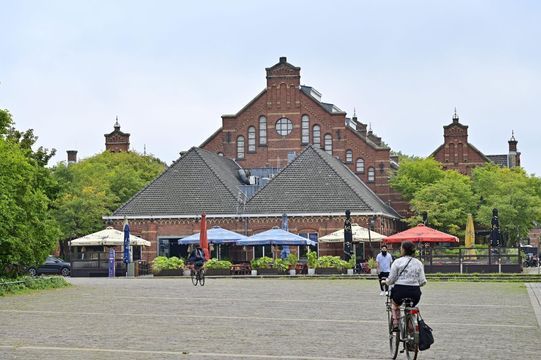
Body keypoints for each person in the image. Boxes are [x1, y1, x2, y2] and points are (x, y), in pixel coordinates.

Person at [382, 241, 427, 331]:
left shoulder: (397, 262)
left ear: (403, 250)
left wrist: (385, 282)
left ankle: (395, 323)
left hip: (400, 291)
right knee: (411, 307)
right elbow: (423, 281)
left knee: (395, 304)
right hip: (415, 293)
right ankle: (412, 327)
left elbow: (391, 280)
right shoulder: (418, 263)